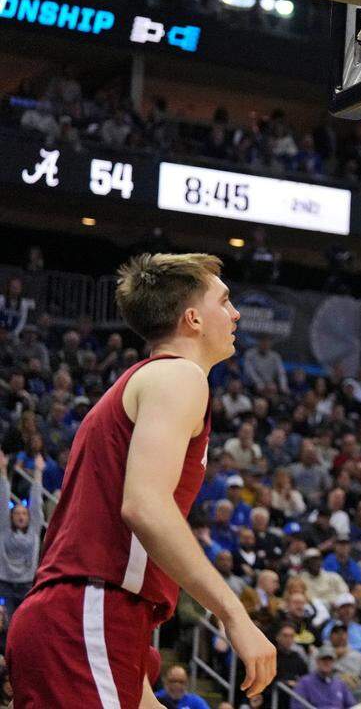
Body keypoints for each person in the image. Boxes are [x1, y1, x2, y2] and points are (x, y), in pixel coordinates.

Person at [6, 253, 276, 707]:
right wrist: (234, 615)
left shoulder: (149, 382)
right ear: (192, 318)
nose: (236, 313)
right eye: (225, 301)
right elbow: (144, 504)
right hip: (88, 610)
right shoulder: (178, 376)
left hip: (95, 619)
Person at [0, 451, 44, 617]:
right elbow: (3, 500)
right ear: (11, 517)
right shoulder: (4, 529)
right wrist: (3, 470)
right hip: (4, 584)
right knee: (5, 625)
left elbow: (37, 501)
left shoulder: (34, 530)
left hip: (26, 585)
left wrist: (38, 472)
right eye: (17, 513)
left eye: (24, 513)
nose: (20, 516)